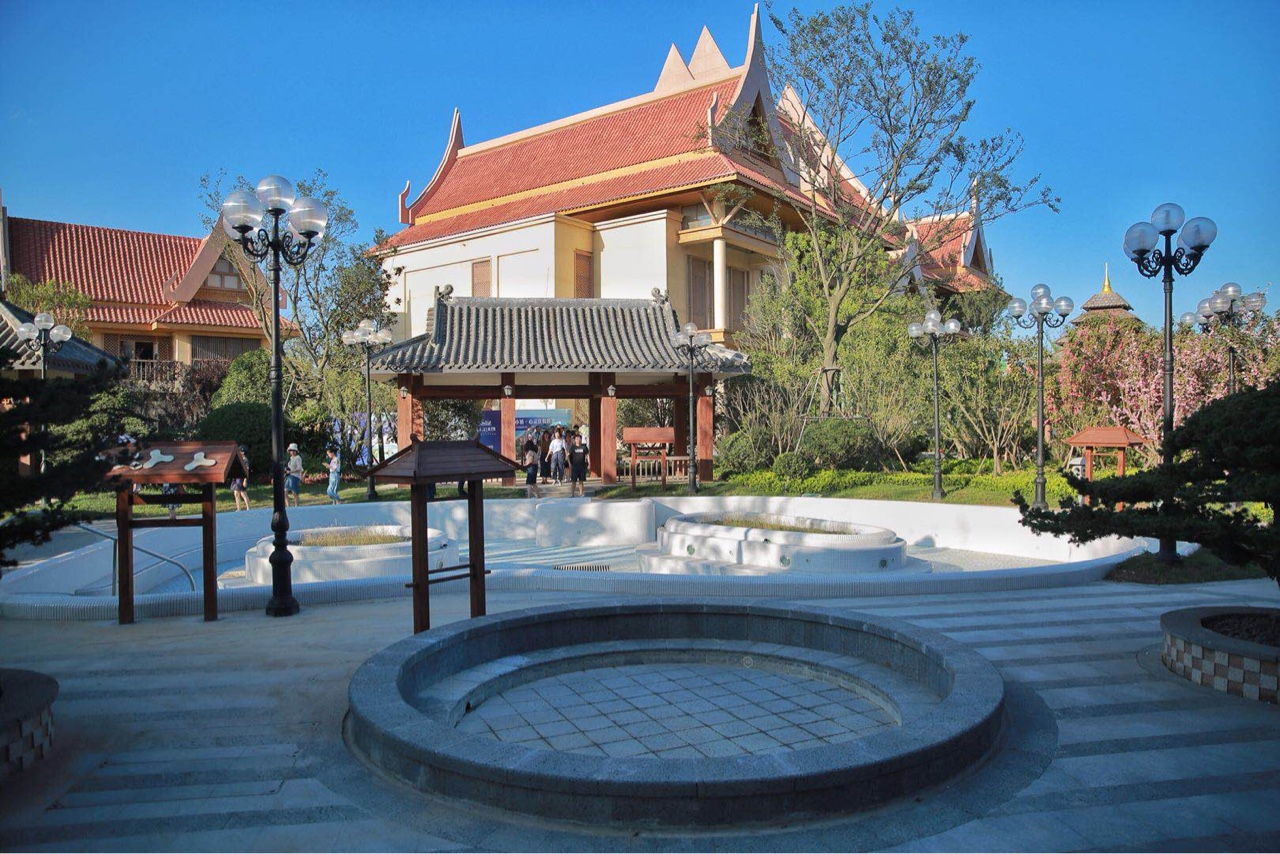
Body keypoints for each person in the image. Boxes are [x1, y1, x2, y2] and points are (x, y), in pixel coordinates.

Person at [568, 433, 589, 497]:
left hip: (582, 466)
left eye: (579, 438)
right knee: (573, 481)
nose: (578, 440)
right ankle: (572, 494)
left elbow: (587, 455)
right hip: (574, 467)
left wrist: (589, 464)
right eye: (577, 439)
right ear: (575, 440)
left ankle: (581, 493)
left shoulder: (584, 447)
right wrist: (569, 464)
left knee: (581, 481)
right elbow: (568, 456)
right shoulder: (572, 447)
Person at [230, 445, 250, 511]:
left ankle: (248, 508)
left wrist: (245, 480)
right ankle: (238, 509)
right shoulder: (238, 460)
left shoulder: (246, 460)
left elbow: (247, 471)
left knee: (243, 493)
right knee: (236, 493)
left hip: (241, 478)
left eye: (240, 451)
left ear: (243, 452)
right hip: (236, 478)